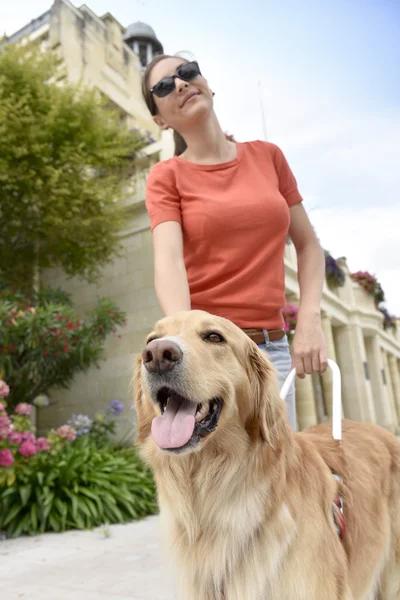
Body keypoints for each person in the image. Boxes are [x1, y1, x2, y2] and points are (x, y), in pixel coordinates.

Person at [142, 54, 327, 431]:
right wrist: (184, 346)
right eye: (163, 86)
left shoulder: (268, 157)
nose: (179, 83)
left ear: (207, 83)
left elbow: (308, 245)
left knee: (277, 482)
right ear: (160, 119)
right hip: (208, 353)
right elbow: (169, 262)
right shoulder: (166, 177)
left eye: (187, 72)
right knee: (208, 482)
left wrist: (308, 320)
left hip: (269, 351)